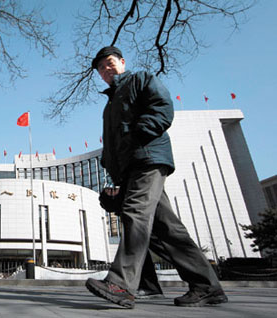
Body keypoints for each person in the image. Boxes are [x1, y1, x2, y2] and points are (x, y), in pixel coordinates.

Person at [85, 46, 227, 309]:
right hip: (130, 168)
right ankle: (207, 287)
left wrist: (139, 134)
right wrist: (112, 172)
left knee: (135, 213)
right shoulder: (109, 105)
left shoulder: (141, 80)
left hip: (148, 157)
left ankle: (121, 284)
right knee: (167, 230)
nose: (106, 69)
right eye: (101, 68)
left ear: (122, 62)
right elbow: (113, 144)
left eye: (110, 63)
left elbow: (162, 107)